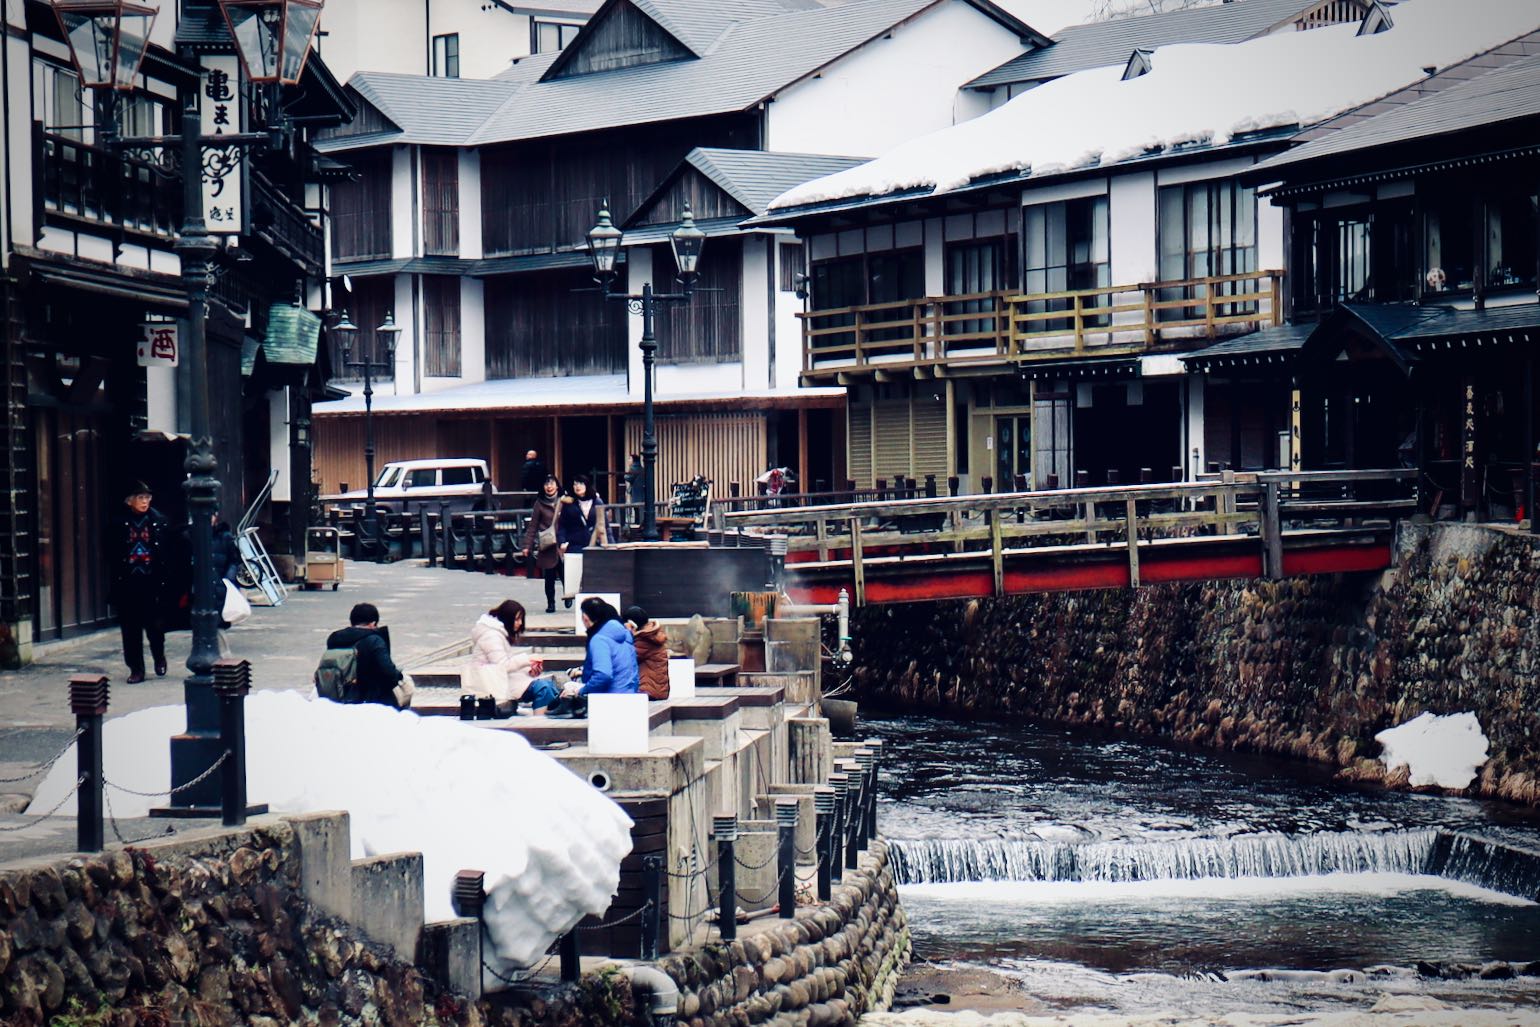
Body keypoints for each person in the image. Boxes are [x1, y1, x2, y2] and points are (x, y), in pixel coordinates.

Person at [109, 481, 170, 683]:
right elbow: (110, 553)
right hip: (127, 582)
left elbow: (167, 552)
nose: (144, 501)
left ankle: (159, 657)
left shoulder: (158, 520)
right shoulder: (118, 523)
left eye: (147, 498)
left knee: (155, 626)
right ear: (130, 501)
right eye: (140, 498)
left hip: (152, 581)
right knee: (130, 629)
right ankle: (136, 669)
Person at [551, 598, 639, 715]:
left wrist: (581, 691)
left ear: (585, 618)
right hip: (630, 696)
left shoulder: (599, 640)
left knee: (567, 690)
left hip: (609, 700)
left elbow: (603, 675)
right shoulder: (626, 635)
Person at [470, 599, 560, 713]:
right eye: (517, 619)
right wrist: (527, 660)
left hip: (500, 681)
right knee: (544, 688)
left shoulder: (497, 634)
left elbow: (505, 664)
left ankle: (542, 717)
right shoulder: (491, 636)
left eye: (521, 619)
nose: (520, 623)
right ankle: (539, 721)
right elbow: (502, 666)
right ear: (507, 618)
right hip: (491, 684)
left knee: (549, 687)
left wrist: (529, 670)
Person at [325, 602, 406, 708]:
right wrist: (399, 675)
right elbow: (389, 673)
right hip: (372, 699)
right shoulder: (374, 641)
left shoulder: (334, 639)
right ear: (373, 623)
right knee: (406, 689)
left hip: (338, 696)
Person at [557, 475, 606, 606]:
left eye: (580, 483)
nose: (577, 486)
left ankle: (590, 602)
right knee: (575, 572)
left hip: (594, 542)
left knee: (593, 573)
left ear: (586, 485)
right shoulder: (569, 504)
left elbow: (604, 524)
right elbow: (562, 525)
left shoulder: (597, 501)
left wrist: (609, 543)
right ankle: (571, 595)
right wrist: (561, 541)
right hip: (575, 542)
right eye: (575, 484)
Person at [523, 475, 564, 613]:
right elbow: (533, 526)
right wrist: (527, 546)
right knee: (549, 577)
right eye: (546, 484)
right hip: (547, 545)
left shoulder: (564, 501)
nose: (549, 487)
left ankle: (569, 595)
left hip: (562, 545)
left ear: (557, 486)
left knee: (566, 574)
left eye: (552, 484)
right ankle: (551, 603)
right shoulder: (539, 503)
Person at [626, 604, 670, 701]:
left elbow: (627, 658)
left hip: (648, 690)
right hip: (657, 689)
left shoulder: (643, 640)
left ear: (632, 624)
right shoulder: (651, 635)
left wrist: (628, 634)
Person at [624, 454, 645, 524]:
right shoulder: (642, 468)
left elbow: (627, 477)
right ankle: (640, 524)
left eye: (630, 459)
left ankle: (637, 524)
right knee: (641, 510)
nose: (628, 460)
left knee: (636, 510)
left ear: (633, 460)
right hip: (642, 492)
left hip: (636, 493)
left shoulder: (633, 468)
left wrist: (627, 473)